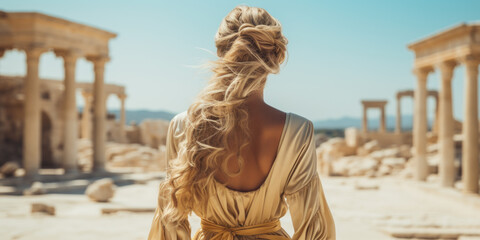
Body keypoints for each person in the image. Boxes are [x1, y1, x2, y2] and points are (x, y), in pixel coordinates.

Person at [148, 5, 335, 240]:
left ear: (220, 52)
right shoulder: (297, 131)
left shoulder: (183, 126)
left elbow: (170, 224)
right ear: (277, 57)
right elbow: (314, 230)